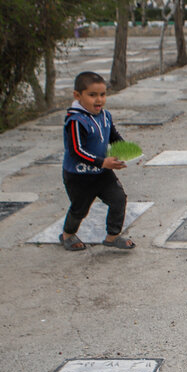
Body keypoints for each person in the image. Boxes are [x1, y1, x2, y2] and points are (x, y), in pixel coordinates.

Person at [60, 71, 135, 251]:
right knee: (80, 209)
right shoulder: (76, 121)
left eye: (102, 95)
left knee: (118, 199)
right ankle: (67, 235)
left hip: (101, 173)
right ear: (77, 96)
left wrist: (127, 153)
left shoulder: (104, 115)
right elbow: (77, 151)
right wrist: (103, 162)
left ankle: (112, 236)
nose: (99, 100)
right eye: (92, 95)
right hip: (78, 175)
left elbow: (113, 136)